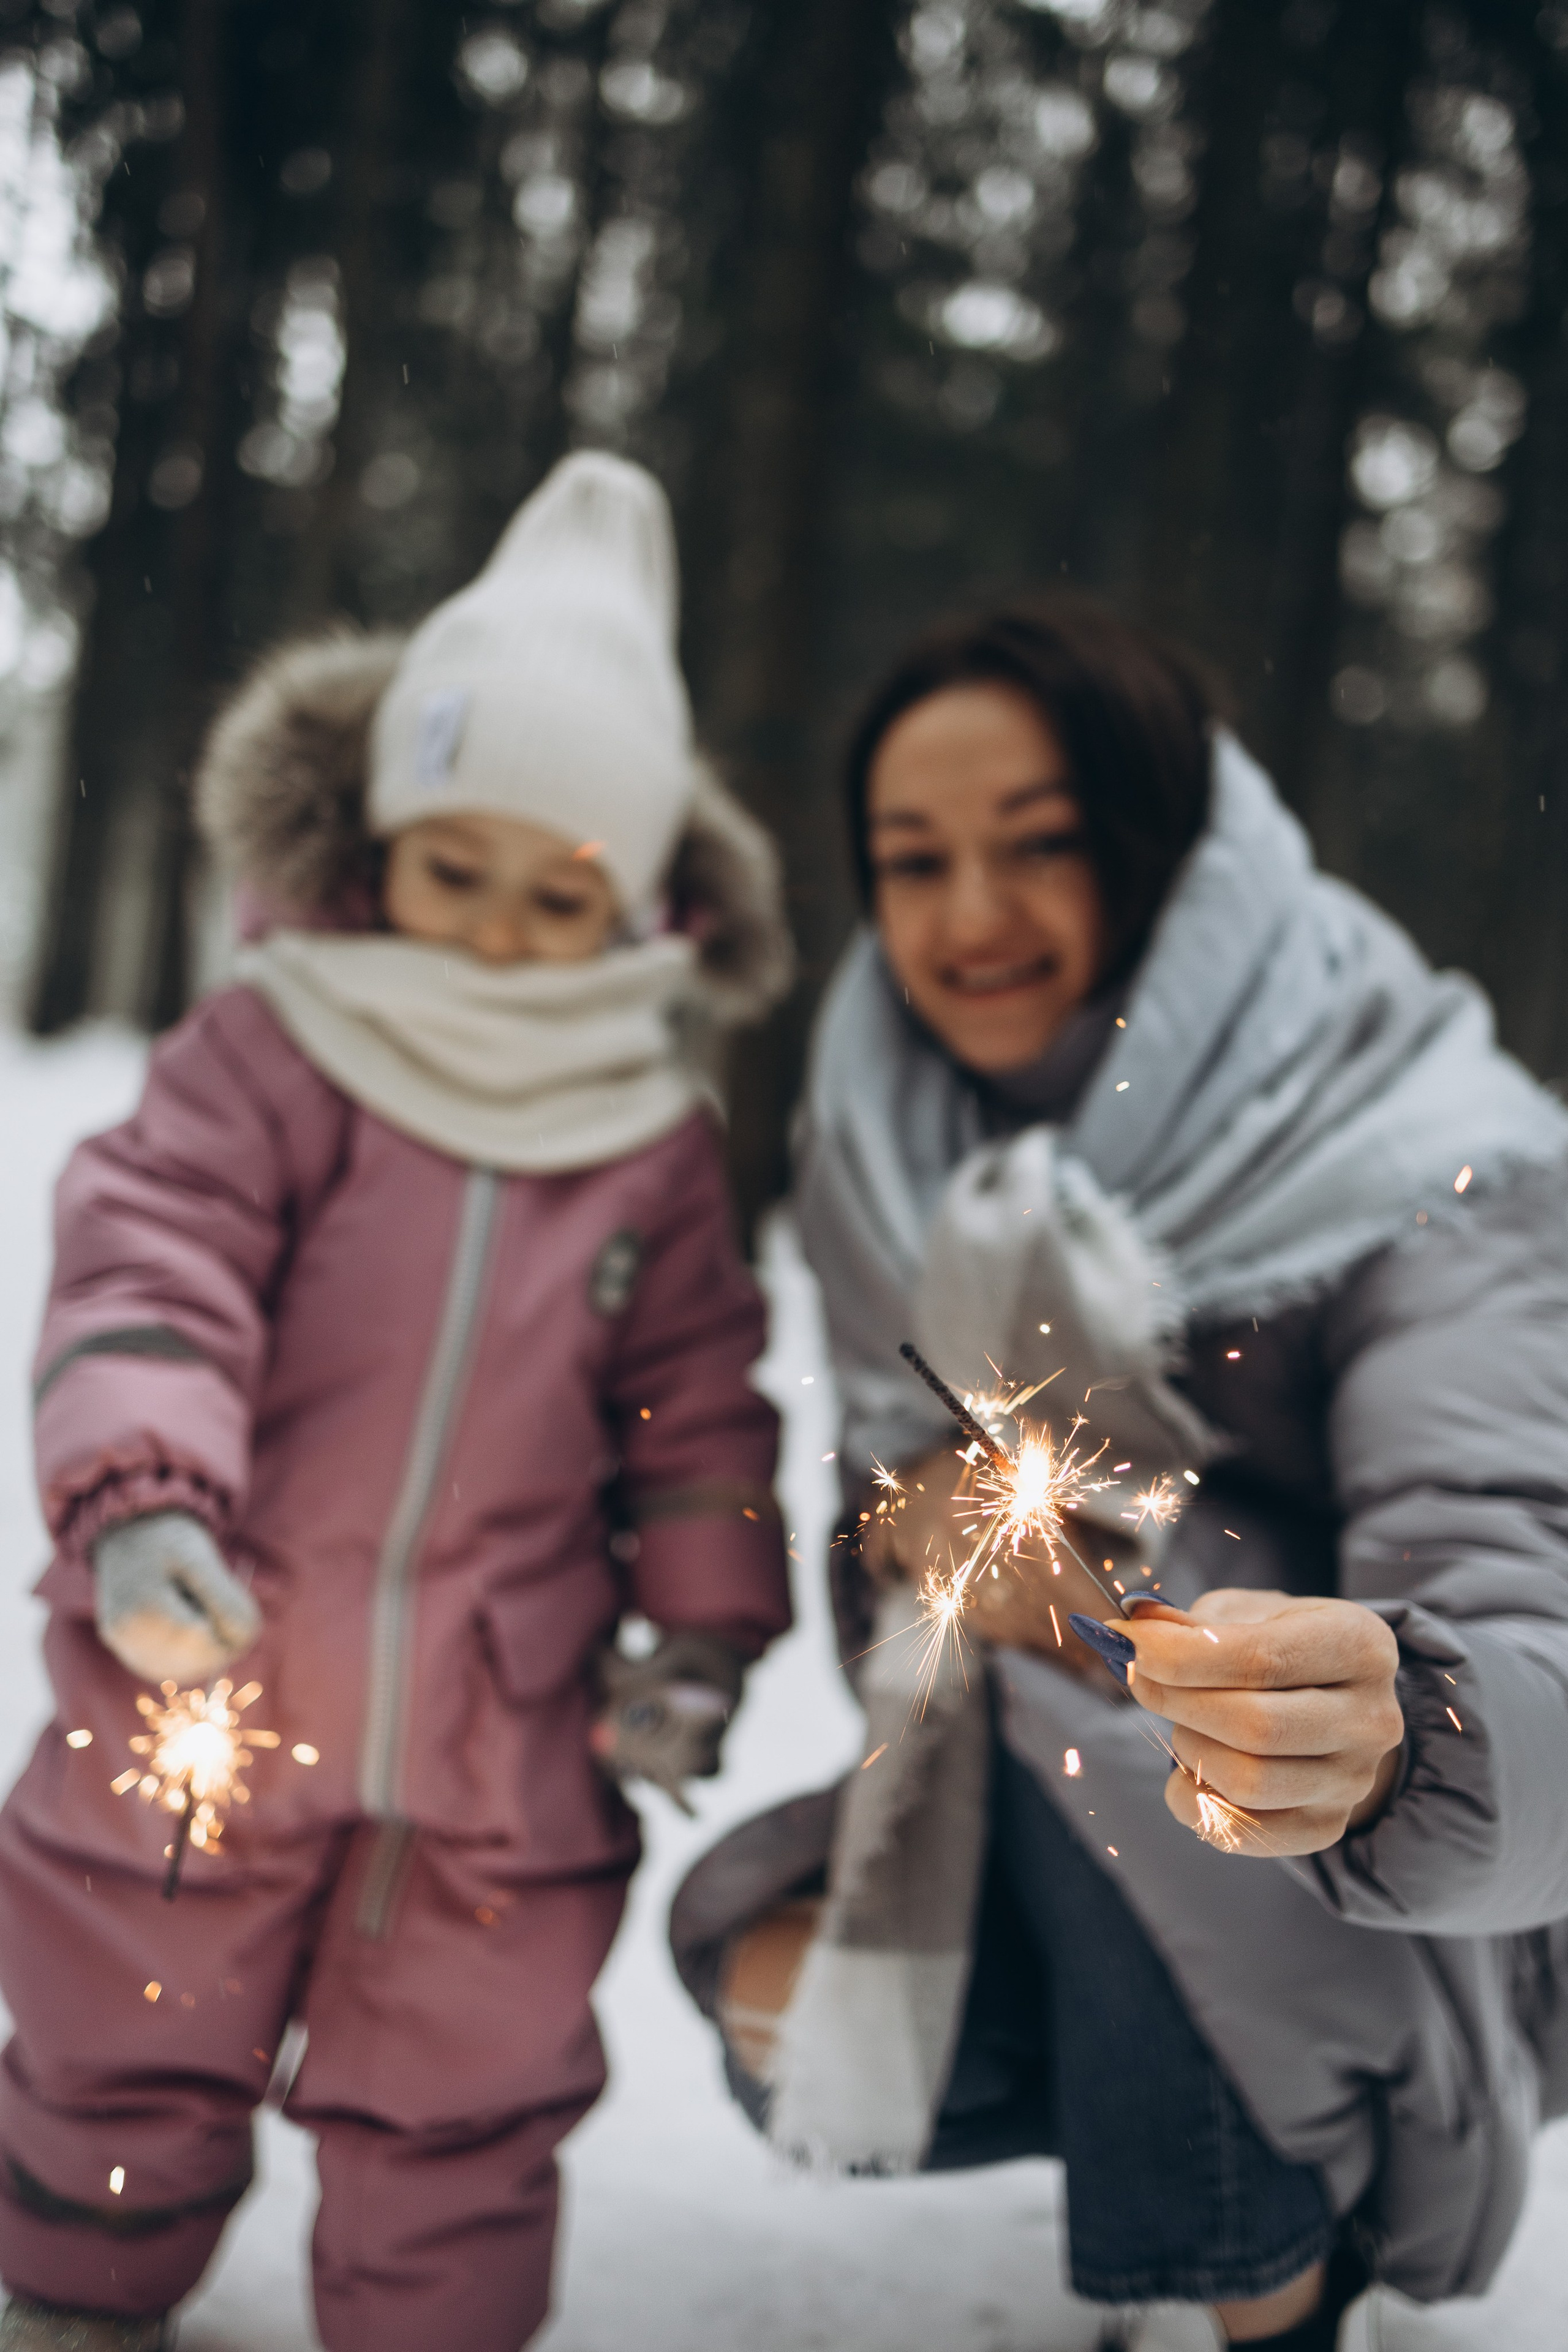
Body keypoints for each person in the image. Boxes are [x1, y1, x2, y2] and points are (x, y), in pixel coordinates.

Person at [671, 601, 1568, 2352]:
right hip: (1083, 1803)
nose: (970, 919)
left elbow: (1531, 1608)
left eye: (1042, 845)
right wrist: (917, 1525)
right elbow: (890, 1515)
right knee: (795, 2000)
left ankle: (1264, 2272)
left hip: (1430, 1895)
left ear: (1167, 858)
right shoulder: (894, 1136)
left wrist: (1396, 1733)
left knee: (1147, 1540)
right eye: (913, 861)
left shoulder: (1431, 1165)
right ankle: (1190, 2178)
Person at [0, 453, 794, 2352]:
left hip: (500, 1735)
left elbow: (697, 1405)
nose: (496, 934)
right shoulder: (277, 1049)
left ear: (639, 901)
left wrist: (700, 1633)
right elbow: (151, 1259)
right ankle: (75, 2294)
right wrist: (144, 1497)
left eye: (558, 893)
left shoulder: (648, 1142)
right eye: (457, 870)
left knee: (467, 2086)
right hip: (213, 1653)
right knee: (125, 2022)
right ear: (373, 845)